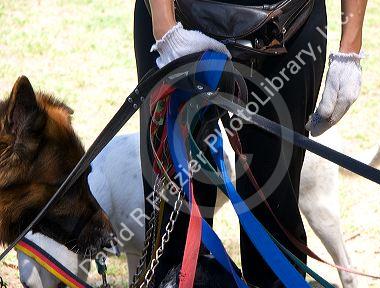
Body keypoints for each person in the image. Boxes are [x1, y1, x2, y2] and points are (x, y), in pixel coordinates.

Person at [134, 0, 367, 287]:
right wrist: (166, 31)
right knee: (173, 227)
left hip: (288, 24)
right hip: (178, 17)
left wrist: (350, 50)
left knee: (275, 216)